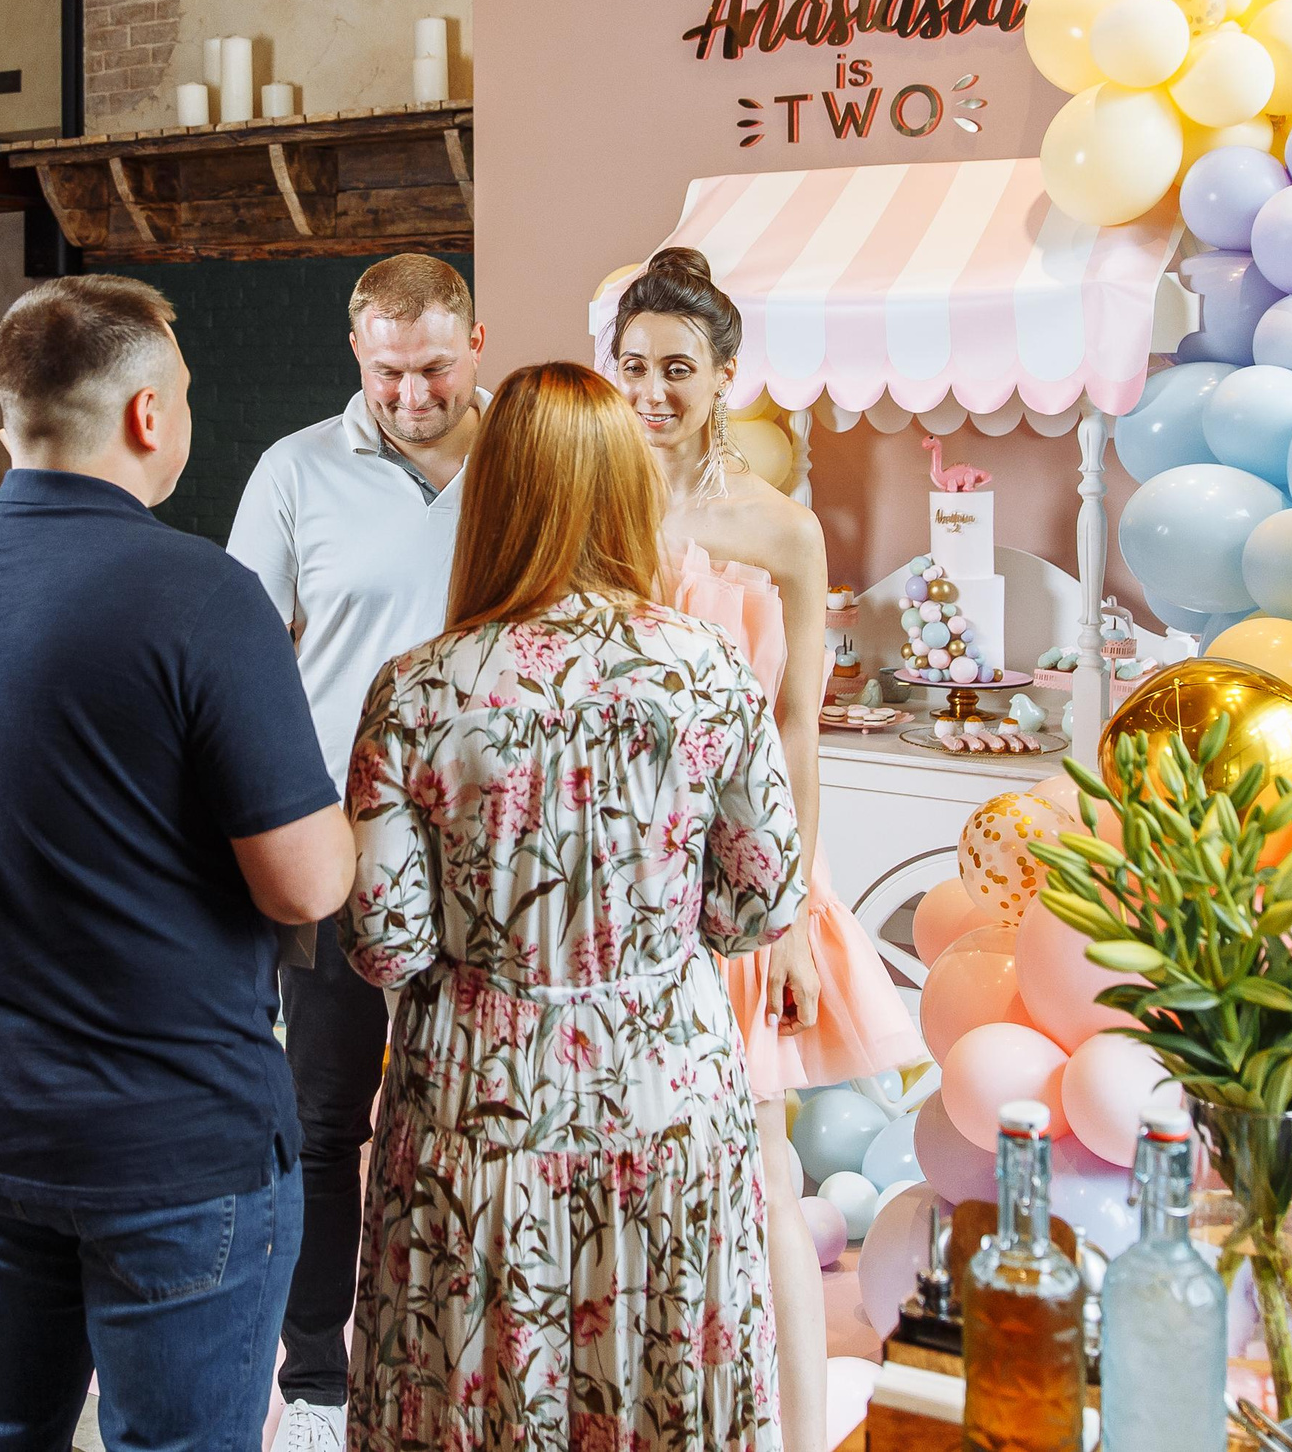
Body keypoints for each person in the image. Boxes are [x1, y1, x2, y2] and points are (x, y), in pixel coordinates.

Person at [0, 275, 354, 1450]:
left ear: (12, 417)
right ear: (149, 414)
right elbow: (303, 883)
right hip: (172, 1145)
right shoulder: (202, 596)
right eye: (183, 395)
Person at [341, 362, 805, 1452]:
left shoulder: (418, 687)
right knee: (657, 1380)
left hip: (477, 1108)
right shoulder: (707, 672)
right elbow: (758, 902)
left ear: (491, 496)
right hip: (668, 1098)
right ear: (625, 491)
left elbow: (385, 938)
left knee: (478, 1382)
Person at [611, 246, 926, 1452]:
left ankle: (794, 1431)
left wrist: (790, 905)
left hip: (737, 877)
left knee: (760, 1173)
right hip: (615, 875)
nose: (651, 390)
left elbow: (794, 726)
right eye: (633, 365)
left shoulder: (781, 529)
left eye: (677, 368)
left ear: (726, 375)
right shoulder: (589, 505)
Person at [226, 253, 485, 1452]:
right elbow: (243, 657)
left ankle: (466, 1354)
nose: (412, 392)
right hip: (338, 845)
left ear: (474, 342)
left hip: (492, 852)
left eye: (432, 366)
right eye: (388, 370)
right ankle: (318, 1382)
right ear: (356, 354)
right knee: (324, 1116)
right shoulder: (293, 470)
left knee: (479, 1117)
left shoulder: (522, 463)